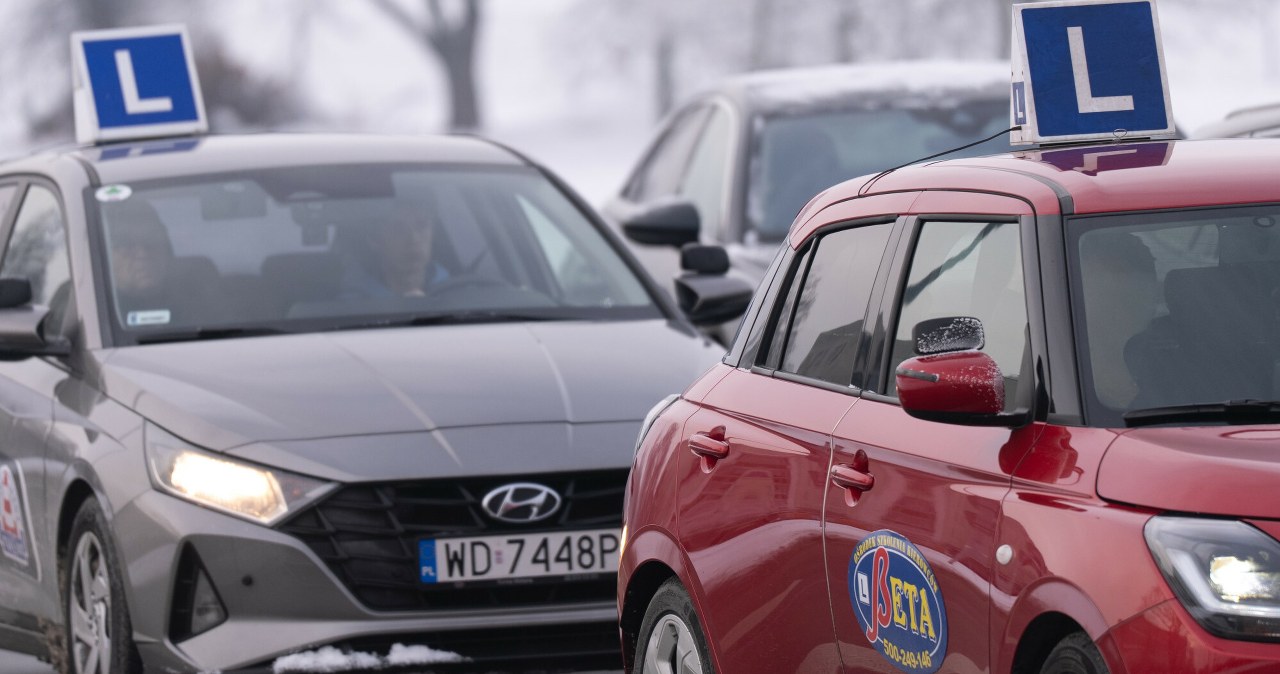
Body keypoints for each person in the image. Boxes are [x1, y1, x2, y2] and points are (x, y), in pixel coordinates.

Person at [340, 205, 448, 298]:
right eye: (399, 229)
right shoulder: (352, 306)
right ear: (375, 240)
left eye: (422, 225)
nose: (414, 239)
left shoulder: (455, 291)